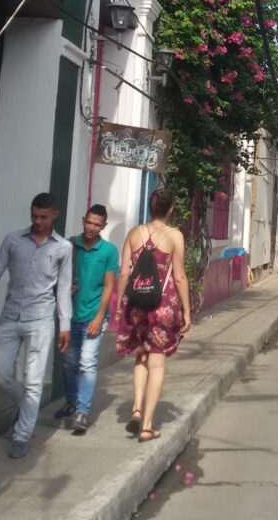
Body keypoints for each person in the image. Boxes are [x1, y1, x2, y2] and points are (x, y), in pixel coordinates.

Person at [0, 193, 72, 459]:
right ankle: (26, 406)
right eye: (34, 215)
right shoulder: (13, 240)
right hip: (10, 317)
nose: (37, 221)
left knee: (34, 382)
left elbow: (64, 287)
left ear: (54, 215)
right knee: (0, 374)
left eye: (43, 217)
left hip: (41, 321)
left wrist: (65, 325)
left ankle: (21, 435)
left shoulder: (63, 248)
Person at [115, 189, 191, 443]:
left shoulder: (134, 233)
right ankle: (147, 425)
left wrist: (119, 304)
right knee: (157, 362)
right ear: (170, 209)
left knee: (141, 355)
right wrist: (187, 310)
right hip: (162, 305)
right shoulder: (174, 236)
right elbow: (179, 276)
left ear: (149, 207)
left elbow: (124, 273)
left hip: (136, 304)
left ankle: (136, 408)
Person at [54, 204, 118, 435]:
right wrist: (63, 286)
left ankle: (82, 411)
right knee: (69, 363)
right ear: (83, 220)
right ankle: (71, 401)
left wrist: (100, 317)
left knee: (87, 363)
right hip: (69, 316)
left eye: (97, 224)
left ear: (104, 226)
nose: (91, 227)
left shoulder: (109, 251)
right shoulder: (69, 245)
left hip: (94, 315)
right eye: (89, 222)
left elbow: (110, 285)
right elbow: (56, 276)